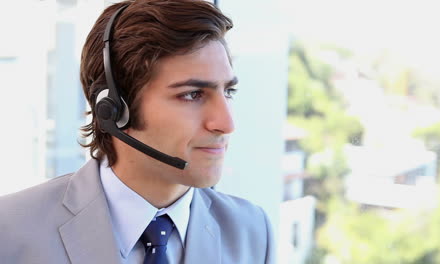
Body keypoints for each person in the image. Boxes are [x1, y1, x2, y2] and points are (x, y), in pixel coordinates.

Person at [0, 0, 276, 263]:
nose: (226, 124)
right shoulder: (11, 231)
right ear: (114, 108)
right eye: (192, 94)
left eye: (228, 91)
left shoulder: (251, 232)